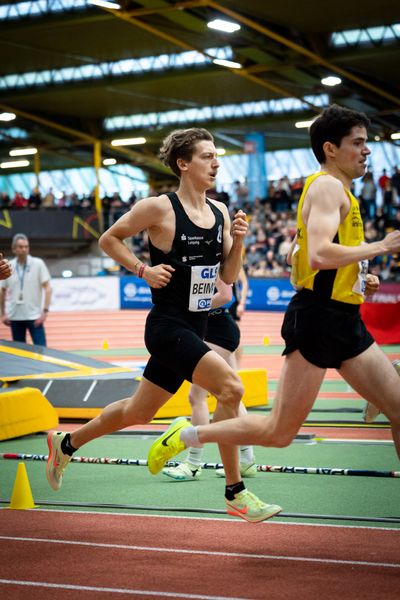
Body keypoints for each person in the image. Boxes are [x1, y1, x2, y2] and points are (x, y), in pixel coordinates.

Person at [147, 105, 400, 505]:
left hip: (341, 316)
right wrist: (381, 246)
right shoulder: (327, 187)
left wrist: (357, 276)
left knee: (398, 408)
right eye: (359, 143)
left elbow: (300, 257)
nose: (367, 151)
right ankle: (189, 435)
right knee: (278, 433)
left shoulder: (342, 192)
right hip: (319, 320)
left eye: (367, 143)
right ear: (331, 148)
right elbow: (316, 254)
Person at [45, 127, 281, 523]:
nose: (216, 163)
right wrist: (143, 270)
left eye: (216, 156)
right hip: (167, 327)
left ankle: (66, 442)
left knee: (138, 412)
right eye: (207, 156)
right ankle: (236, 492)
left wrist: (238, 242)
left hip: (197, 325)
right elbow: (109, 238)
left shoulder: (221, 212)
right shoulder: (159, 208)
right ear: (183, 163)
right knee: (231, 387)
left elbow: (228, 276)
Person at [162, 277, 257, 481]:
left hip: (217, 331)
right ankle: (247, 459)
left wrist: (189, 308)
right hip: (213, 329)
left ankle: (193, 463)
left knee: (197, 396)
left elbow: (225, 296)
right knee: (230, 396)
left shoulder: (212, 252)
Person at [0, 234, 51, 346]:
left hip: (34, 317)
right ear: (13, 249)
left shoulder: (38, 264)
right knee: (19, 356)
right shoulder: (8, 266)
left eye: (26, 246)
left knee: (42, 351)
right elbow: (2, 291)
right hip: (15, 317)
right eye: (20, 247)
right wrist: (2, 313)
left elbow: (48, 288)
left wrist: (45, 312)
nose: (24, 249)